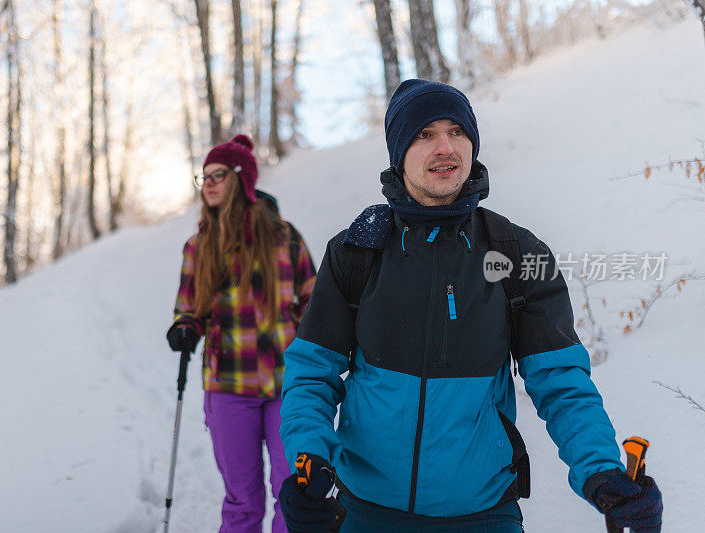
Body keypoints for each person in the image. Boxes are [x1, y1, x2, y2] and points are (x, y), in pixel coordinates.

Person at [277, 80, 663, 532]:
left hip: (483, 514)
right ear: (398, 152)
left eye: (457, 131)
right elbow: (311, 375)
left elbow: (561, 383)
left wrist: (602, 473)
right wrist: (309, 459)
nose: (445, 147)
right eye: (424, 134)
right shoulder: (356, 252)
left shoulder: (517, 253)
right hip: (364, 509)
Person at [167, 134, 317, 533]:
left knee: (294, 491)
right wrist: (185, 328)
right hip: (229, 385)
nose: (209, 184)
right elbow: (189, 308)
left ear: (241, 180)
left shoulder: (284, 238)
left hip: (288, 384)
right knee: (241, 498)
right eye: (204, 177)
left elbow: (313, 300)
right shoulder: (199, 247)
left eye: (218, 174)